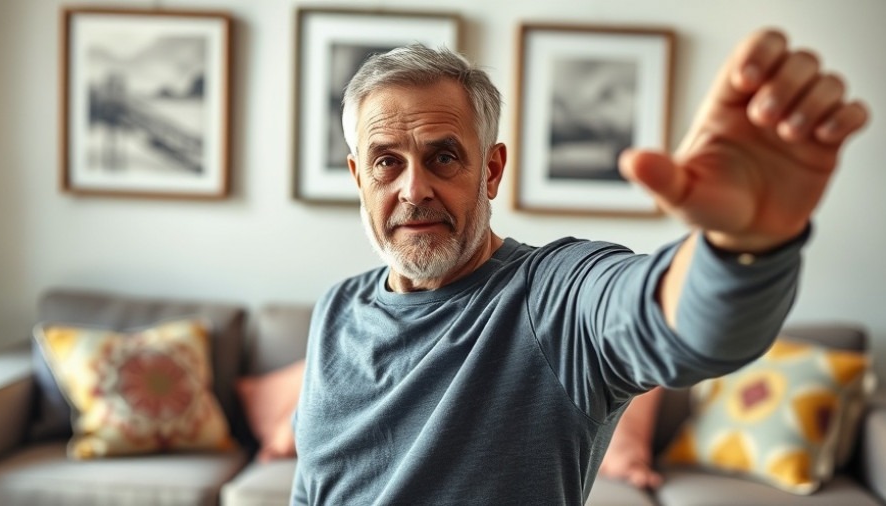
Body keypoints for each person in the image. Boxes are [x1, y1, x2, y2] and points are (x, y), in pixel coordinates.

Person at [291, 28, 868, 505]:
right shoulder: (337, 308)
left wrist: (743, 244)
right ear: (358, 178)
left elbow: (671, 322)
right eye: (386, 162)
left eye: (444, 157)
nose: (414, 189)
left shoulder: (553, 297)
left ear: (491, 170)